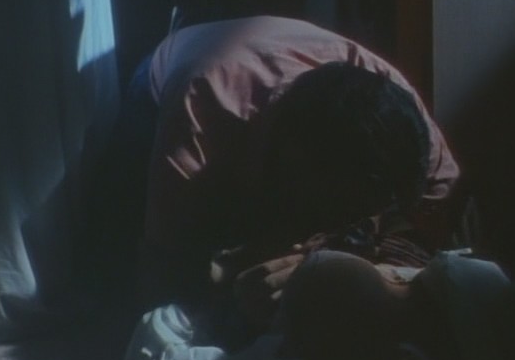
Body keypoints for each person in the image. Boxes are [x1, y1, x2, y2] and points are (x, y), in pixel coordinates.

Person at [138, 16, 461, 318]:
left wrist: (370, 275)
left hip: (274, 66)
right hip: (173, 70)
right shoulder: (202, 107)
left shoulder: (423, 148)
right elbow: (164, 259)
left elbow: (430, 246)